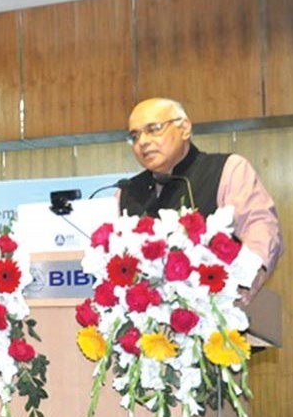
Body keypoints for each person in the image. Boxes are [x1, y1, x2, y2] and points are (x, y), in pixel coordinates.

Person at [120, 97, 284, 306]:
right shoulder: (127, 192)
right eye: (134, 136)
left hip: (218, 318)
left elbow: (261, 229)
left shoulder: (227, 169)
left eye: (154, 129)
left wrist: (242, 287)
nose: (142, 141)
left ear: (185, 128)